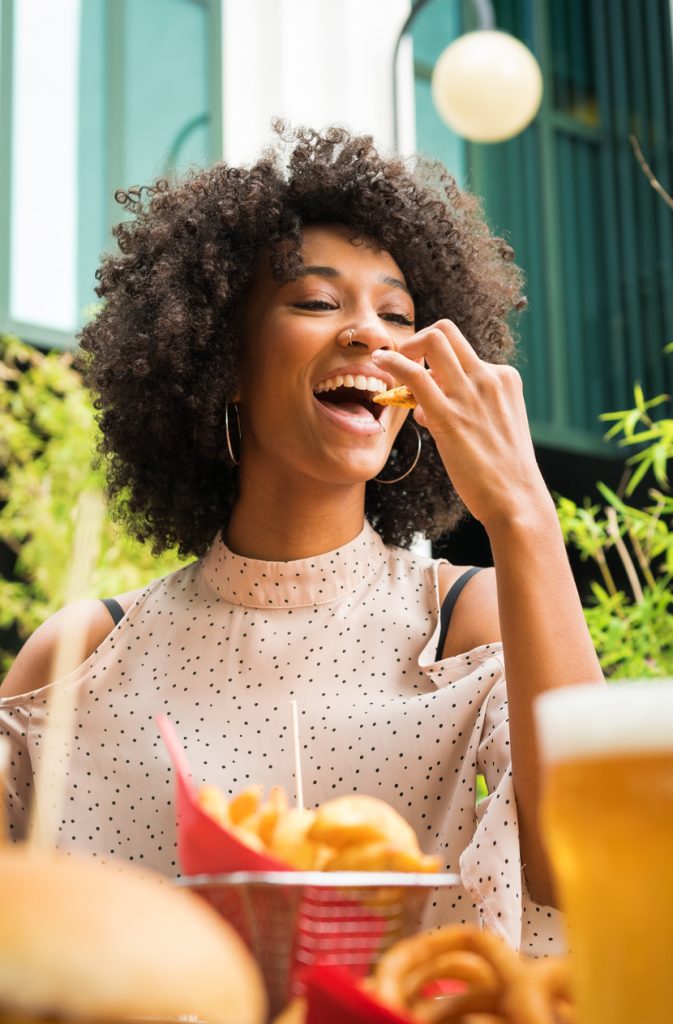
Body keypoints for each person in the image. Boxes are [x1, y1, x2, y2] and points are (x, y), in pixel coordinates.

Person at [0, 123, 602, 954]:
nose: (370, 333)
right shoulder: (79, 660)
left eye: (397, 313)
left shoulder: (466, 621)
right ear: (224, 362)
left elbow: (590, 867)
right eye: (318, 301)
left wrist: (523, 514)